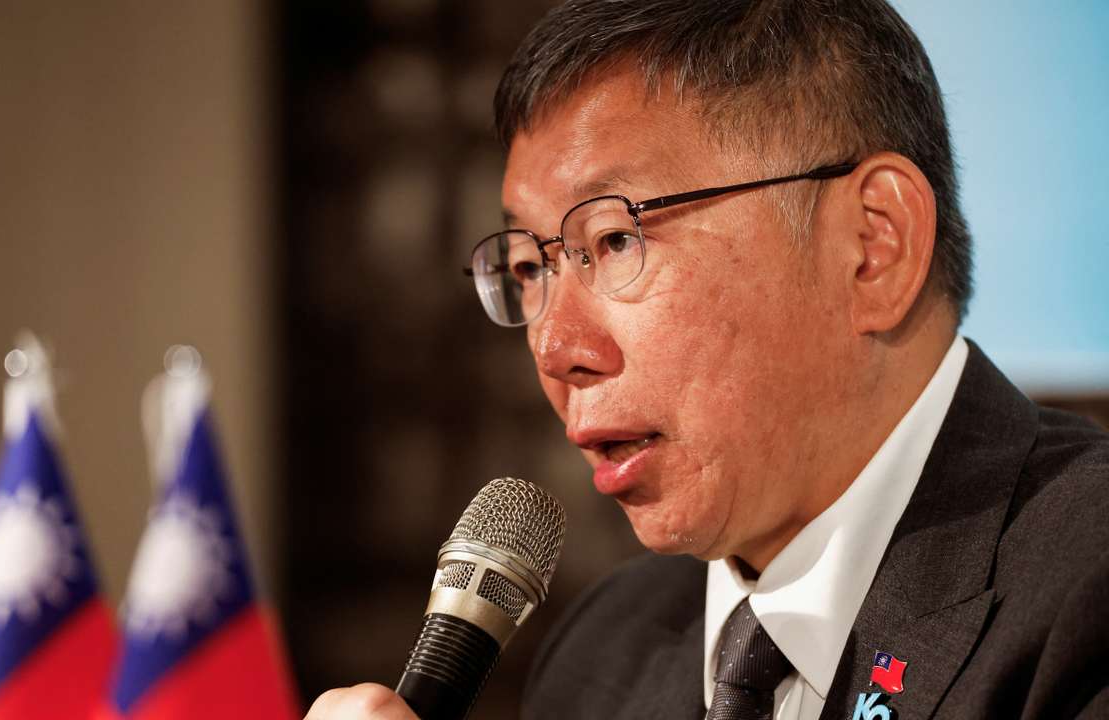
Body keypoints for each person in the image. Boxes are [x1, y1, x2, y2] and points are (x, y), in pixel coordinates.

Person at [306, 1, 1109, 718]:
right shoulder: (602, 656)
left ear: (873, 246)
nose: (554, 351)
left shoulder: (1085, 587)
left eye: (614, 240)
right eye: (529, 266)